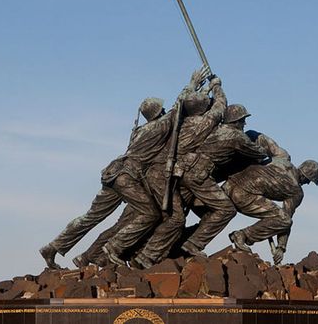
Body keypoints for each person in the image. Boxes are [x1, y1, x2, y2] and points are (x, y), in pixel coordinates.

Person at [39, 69, 206, 269]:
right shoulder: (158, 127)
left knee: (91, 217)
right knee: (150, 214)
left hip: (114, 173)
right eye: (160, 110)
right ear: (157, 113)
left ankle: (53, 247)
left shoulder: (140, 130)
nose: (163, 112)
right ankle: (113, 248)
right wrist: (192, 84)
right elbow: (177, 109)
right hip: (127, 177)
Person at [223, 127, 318, 265]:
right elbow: (285, 221)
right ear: (307, 179)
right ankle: (242, 235)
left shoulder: (282, 156)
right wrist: (281, 247)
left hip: (228, 184)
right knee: (284, 220)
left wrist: (244, 137)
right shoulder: (296, 191)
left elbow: (257, 136)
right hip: (243, 195)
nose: (307, 184)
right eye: (309, 181)